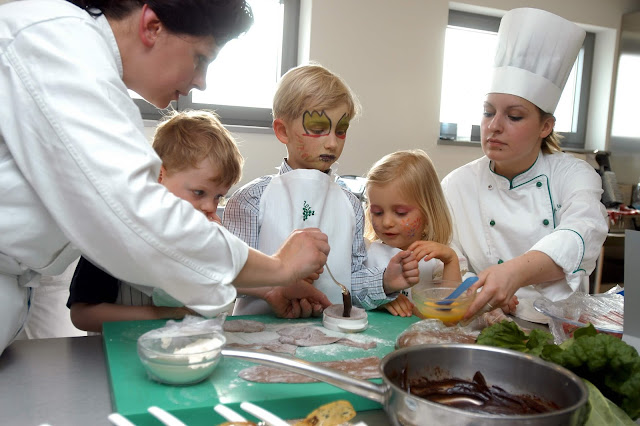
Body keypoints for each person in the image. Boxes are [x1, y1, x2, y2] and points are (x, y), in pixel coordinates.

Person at [0, 0, 331, 355]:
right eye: (201, 58)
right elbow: (140, 220)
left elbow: (140, 254)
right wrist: (279, 267)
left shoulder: (90, 69)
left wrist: (264, 288)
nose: (201, 82)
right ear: (152, 26)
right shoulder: (54, 43)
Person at [440, 8, 608, 322]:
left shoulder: (572, 175)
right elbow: (453, 262)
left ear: (545, 126)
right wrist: (481, 291)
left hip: (559, 331)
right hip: (488, 326)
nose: (494, 126)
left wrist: (513, 273)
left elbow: (581, 233)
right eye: (488, 112)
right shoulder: (456, 185)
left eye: (514, 116)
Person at [223, 63, 419, 315]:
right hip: (258, 334)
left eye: (341, 131)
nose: (332, 143)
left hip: (331, 335)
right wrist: (278, 281)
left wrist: (385, 280)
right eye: (318, 129)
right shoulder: (251, 199)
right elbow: (229, 275)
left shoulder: (351, 205)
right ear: (283, 131)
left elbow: (351, 281)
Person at [67, 110, 243, 332]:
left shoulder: (204, 236)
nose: (210, 206)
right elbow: (82, 316)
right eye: (199, 192)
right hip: (113, 354)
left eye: (218, 196)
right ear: (160, 176)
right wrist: (162, 315)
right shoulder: (114, 232)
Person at [363, 150, 467, 317]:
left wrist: (450, 260)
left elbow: (449, 311)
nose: (387, 222)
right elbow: (351, 295)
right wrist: (381, 299)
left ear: (428, 213)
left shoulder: (439, 257)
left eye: (401, 213)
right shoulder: (366, 252)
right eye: (377, 212)